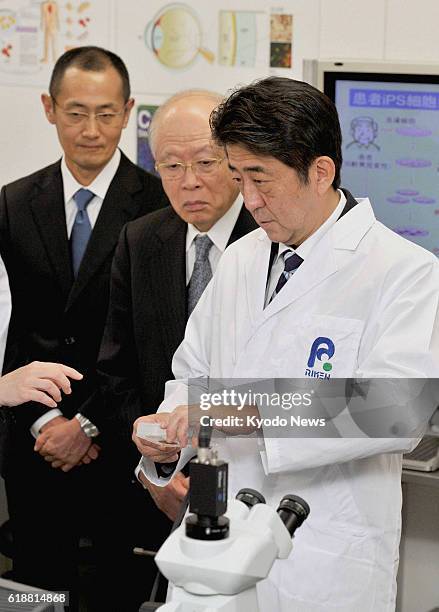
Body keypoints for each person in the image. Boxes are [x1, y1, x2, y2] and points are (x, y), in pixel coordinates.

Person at [132, 77, 439, 612]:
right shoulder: (242, 259)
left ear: (321, 172)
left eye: (261, 179)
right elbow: (193, 376)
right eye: (238, 177)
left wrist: (245, 409)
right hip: (218, 541)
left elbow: (396, 408)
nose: (248, 200)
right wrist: (165, 433)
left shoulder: (404, 271)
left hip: (324, 555)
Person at [0, 46, 167, 609]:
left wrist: (87, 425)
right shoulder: (14, 202)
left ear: (128, 112)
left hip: (117, 451)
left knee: (114, 592)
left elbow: (153, 342)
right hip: (32, 445)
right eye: (75, 112)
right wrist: (48, 419)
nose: (91, 129)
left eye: (105, 112)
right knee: (32, 593)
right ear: (49, 108)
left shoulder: (159, 208)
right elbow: (12, 331)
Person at [78, 89, 256, 603]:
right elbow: (118, 369)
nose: (189, 181)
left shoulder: (268, 239)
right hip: (156, 485)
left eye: (205, 162)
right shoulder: (141, 239)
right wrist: (157, 472)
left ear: (234, 159)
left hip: (248, 478)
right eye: (171, 166)